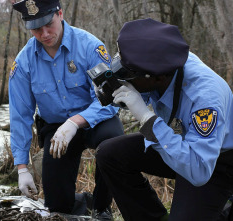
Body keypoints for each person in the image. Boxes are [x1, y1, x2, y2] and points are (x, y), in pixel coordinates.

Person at [96, 18, 233, 221]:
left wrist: (146, 118)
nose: (124, 76)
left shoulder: (204, 97)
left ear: (157, 78)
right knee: (109, 154)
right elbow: (143, 87)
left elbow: (199, 171)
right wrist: (115, 92)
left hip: (212, 160)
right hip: (176, 141)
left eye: (128, 74)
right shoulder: (162, 61)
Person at [9, 0, 124, 220]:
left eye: (48, 24)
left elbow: (108, 100)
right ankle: (77, 204)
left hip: (96, 121)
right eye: (36, 28)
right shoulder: (23, 63)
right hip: (56, 128)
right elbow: (20, 116)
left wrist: (75, 122)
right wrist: (22, 167)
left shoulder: (90, 46)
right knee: (57, 208)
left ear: (60, 14)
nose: (44, 34)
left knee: (113, 144)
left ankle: (101, 208)